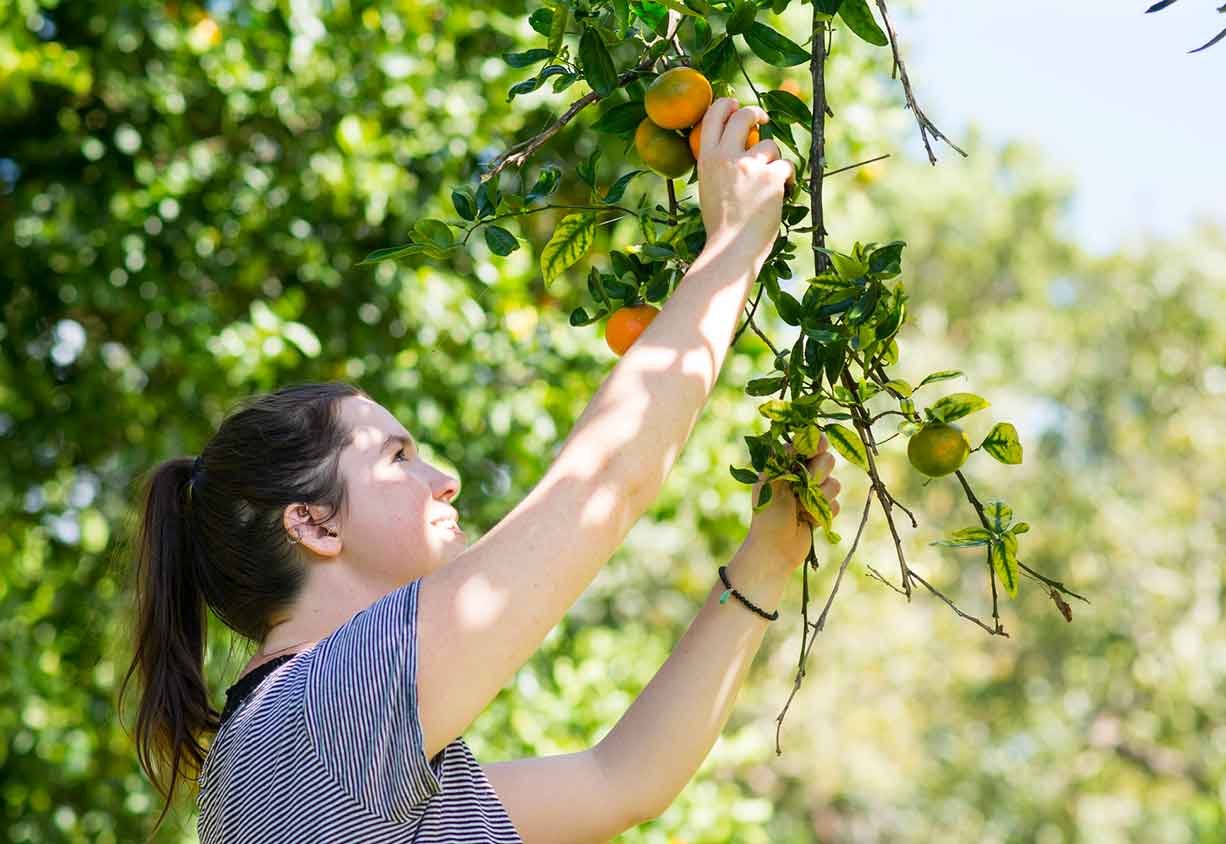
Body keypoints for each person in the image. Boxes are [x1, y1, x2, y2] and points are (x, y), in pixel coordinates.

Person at [118, 97, 843, 842]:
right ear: (312, 522)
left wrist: (768, 558)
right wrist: (732, 243)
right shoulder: (320, 719)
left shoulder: (310, 752)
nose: (444, 478)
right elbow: (604, 486)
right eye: (397, 456)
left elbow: (620, 781)